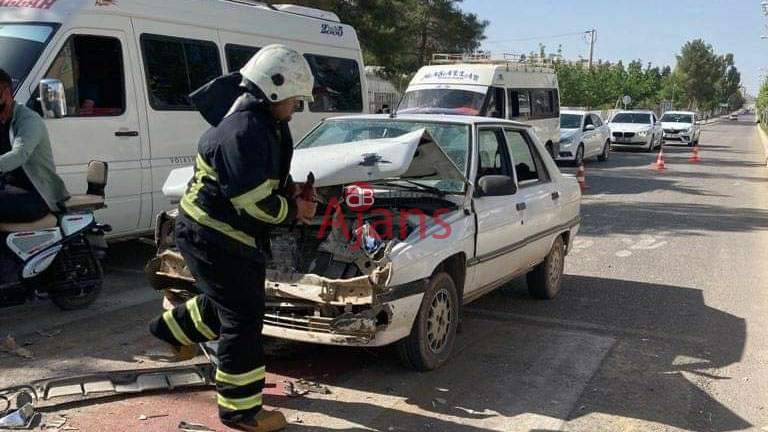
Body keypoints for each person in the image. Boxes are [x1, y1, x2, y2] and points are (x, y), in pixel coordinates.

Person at [148, 45, 317, 432]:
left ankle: (170, 331)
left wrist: (291, 192)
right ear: (274, 90)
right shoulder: (242, 132)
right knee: (242, 317)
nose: (297, 107)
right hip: (211, 235)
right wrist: (296, 211)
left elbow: (267, 177)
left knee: (232, 303)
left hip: (224, 234)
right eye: (295, 99)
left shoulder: (265, 123)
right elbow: (253, 203)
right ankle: (240, 411)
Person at [0, 68, 69, 224]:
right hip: (10, 188)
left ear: (6, 92)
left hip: (37, 194)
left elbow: (19, 155)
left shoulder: (29, 120)